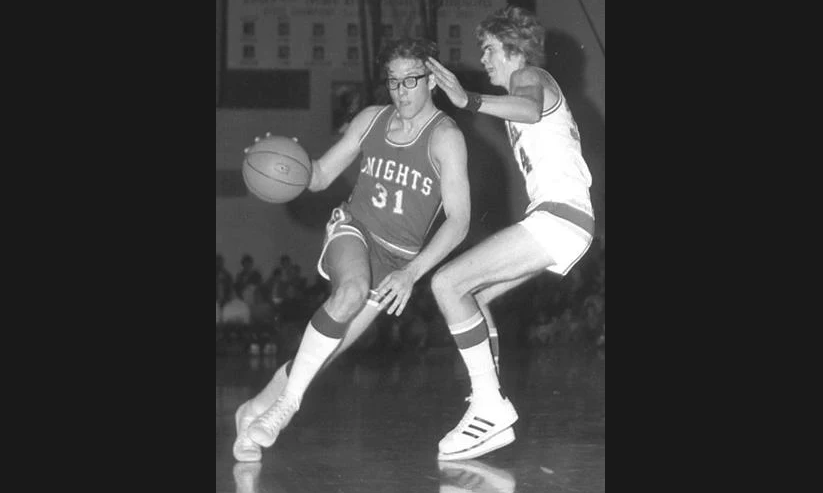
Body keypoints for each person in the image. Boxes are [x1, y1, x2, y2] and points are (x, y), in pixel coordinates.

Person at [232, 37, 471, 462]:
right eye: (393, 81)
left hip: (399, 260)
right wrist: (287, 161)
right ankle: (286, 408)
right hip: (355, 229)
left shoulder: (446, 138)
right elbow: (320, 175)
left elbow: (459, 221)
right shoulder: (371, 119)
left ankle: (251, 411)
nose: (401, 91)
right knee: (350, 291)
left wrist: (412, 273)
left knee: (321, 356)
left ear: (432, 79)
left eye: (411, 80)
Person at [424, 6, 595, 461]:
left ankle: (490, 407)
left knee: (447, 283)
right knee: (473, 300)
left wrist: (468, 100)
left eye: (489, 48)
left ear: (513, 47)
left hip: (559, 217)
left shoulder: (529, 75)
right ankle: (489, 405)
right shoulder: (524, 85)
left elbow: (530, 108)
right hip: (566, 221)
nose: (483, 59)